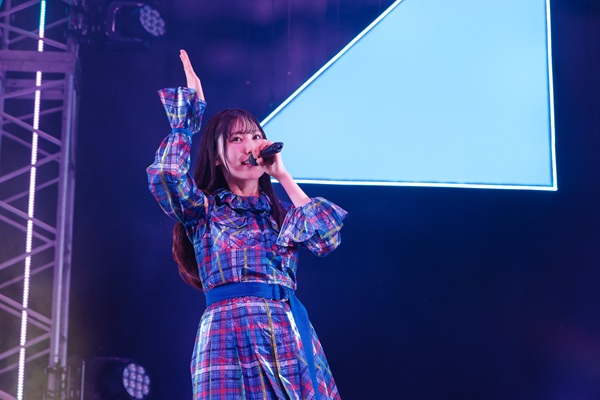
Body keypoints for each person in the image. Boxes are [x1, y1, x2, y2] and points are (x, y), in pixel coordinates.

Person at [147, 49, 348, 399]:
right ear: (218, 157)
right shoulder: (204, 211)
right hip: (227, 334)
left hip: (286, 334)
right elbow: (166, 176)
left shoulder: (281, 215)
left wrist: (283, 175)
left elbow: (327, 238)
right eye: (236, 139)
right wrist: (186, 120)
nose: (249, 146)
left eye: (255, 137)